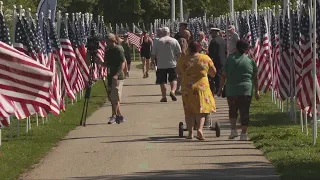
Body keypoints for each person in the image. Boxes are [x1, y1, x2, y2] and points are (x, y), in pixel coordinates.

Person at [217, 40, 260, 141]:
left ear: (236, 47)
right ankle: (243, 134)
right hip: (246, 90)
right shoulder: (250, 60)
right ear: (246, 49)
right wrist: (257, 90)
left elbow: (223, 75)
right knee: (244, 111)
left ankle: (233, 131)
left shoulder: (230, 59)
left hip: (232, 89)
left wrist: (220, 88)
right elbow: (255, 77)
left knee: (232, 110)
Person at [177, 40, 217, 140]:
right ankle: (200, 129)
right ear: (199, 48)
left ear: (189, 48)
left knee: (188, 111)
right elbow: (213, 72)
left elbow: (178, 71)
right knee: (201, 110)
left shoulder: (184, 59)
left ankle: (190, 133)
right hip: (202, 87)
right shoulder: (205, 58)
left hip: (187, 88)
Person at [95, 33, 126, 124]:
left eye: (107, 41)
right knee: (112, 98)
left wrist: (117, 74)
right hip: (110, 76)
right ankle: (119, 116)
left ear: (113, 41)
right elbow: (106, 63)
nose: (106, 43)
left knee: (114, 98)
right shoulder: (108, 50)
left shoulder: (118, 49)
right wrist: (99, 62)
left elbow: (123, 63)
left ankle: (113, 116)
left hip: (118, 77)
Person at [151, 27, 181, 102]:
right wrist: (179, 62)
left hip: (161, 64)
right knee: (173, 79)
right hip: (172, 64)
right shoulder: (174, 41)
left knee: (162, 81)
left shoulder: (158, 41)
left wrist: (152, 61)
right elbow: (179, 53)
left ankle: (164, 96)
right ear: (169, 32)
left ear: (162, 33)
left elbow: (153, 53)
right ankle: (173, 91)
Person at [208, 28, 227, 93]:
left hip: (216, 61)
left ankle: (219, 89)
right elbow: (225, 51)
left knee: (217, 76)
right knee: (222, 75)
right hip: (223, 60)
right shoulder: (223, 41)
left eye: (212, 33)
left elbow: (211, 52)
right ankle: (222, 87)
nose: (211, 35)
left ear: (216, 33)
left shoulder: (214, 41)